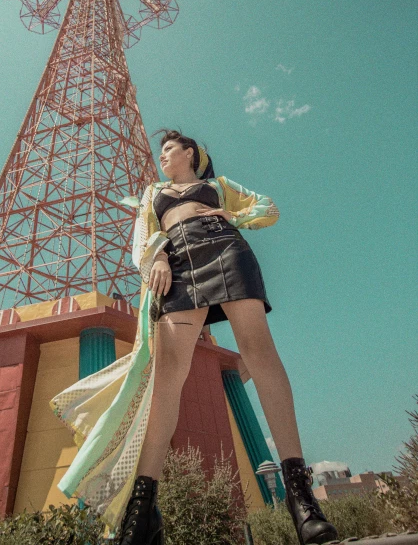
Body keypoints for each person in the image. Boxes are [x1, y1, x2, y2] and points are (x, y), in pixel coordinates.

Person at [51, 130, 338, 545]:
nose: (162, 156)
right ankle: (143, 511)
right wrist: (159, 258)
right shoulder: (153, 194)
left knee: (260, 355)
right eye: (161, 151)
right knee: (168, 377)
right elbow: (141, 240)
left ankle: (301, 498)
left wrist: (234, 217)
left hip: (227, 252)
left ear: (190, 153)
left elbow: (267, 208)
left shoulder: (218, 187)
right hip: (179, 268)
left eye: (169, 149)